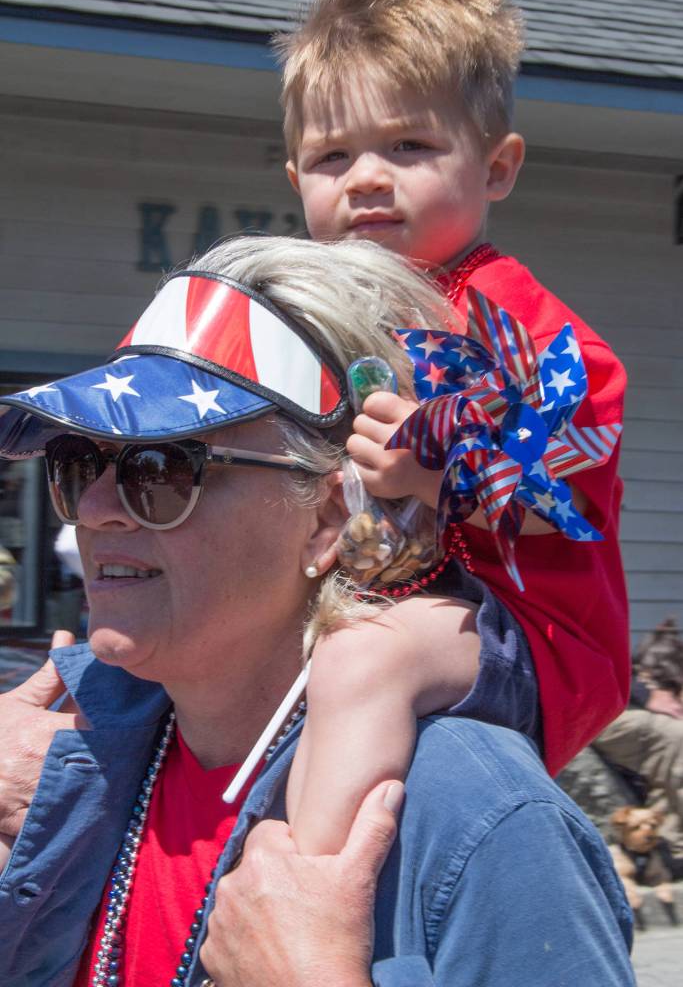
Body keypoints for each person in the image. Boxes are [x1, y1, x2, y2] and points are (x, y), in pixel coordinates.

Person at [0, 236, 634, 985]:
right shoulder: (52, 761)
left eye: (161, 468)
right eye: (81, 463)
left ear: (330, 517)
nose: (96, 510)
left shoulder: (476, 817)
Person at [272, 0, 629, 853]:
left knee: (363, 659)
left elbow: (578, 451)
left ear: (496, 167)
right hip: (384, 601)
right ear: (294, 178)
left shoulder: (501, 317)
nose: (364, 178)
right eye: (331, 156)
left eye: (407, 148)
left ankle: (307, 898)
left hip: (533, 635)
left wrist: (443, 470)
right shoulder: (317, 315)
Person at [594, 618, 683, 879]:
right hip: (602, 714)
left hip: (624, 711)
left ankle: (665, 846)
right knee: (673, 735)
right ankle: (671, 847)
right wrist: (650, 691)